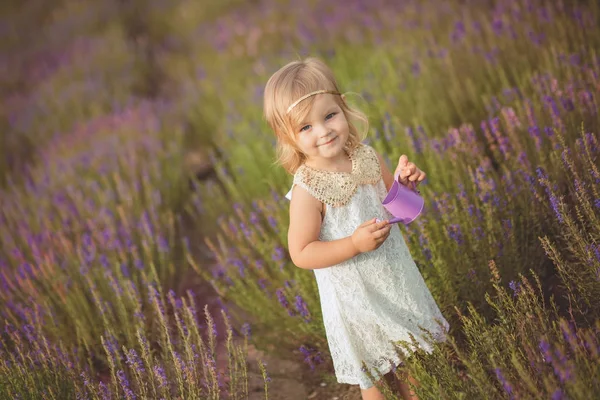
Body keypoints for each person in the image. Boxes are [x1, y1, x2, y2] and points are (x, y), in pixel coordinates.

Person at [263, 57, 450, 400]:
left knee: (413, 363)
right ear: (287, 136)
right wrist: (353, 243)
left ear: (343, 106)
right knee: (375, 377)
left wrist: (407, 187)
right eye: (306, 127)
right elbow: (301, 253)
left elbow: (401, 212)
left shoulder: (366, 157)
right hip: (355, 297)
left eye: (329, 115)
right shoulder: (307, 189)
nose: (323, 131)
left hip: (393, 279)